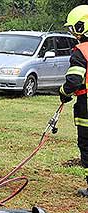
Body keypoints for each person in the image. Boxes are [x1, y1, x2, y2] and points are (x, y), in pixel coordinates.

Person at [59, 5, 88, 196]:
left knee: (86, 144)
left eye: (74, 28)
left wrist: (63, 92)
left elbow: (74, 80)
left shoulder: (81, 51)